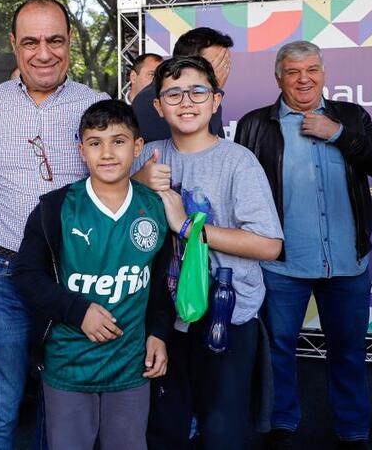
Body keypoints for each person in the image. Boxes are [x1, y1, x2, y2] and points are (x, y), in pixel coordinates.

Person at [235, 41, 372, 449]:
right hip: (283, 264)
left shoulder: (350, 116)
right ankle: (280, 425)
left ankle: (353, 432)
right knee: (278, 354)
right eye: (293, 71)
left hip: (347, 263)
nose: (304, 79)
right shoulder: (254, 125)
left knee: (349, 353)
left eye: (312, 70)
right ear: (278, 78)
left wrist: (338, 134)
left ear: (324, 72)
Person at [0, 0, 108, 449]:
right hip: (0, 269)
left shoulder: (96, 106)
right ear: (13, 45)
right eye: (30, 42)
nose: (43, 53)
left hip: (70, 272)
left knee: (62, 397)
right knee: (1, 395)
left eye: (54, 40)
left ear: (70, 42)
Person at [133, 55, 283, 450]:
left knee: (222, 429)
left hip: (226, 314)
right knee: (165, 427)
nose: (186, 101)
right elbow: (103, 209)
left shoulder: (238, 162)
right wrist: (136, 181)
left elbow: (268, 245)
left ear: (216, 100)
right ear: (158, 105)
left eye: (198, 90)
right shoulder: (147, 155)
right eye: (174, 93)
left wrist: (187, 226)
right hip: (163, 318)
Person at [13, 100, 171, 450]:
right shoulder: (55, 208)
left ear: (138, 146)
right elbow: (25, 274)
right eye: (95, 142)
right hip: (70, 365)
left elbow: (160, 283)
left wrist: (159, 332)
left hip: (131, 366)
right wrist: (78, 311)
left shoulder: (157, 207)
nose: (107, 152)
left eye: (119, 141)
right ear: (81, 150)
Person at [132, 27, 232, 142]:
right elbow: (202, 147)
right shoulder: (151, 97)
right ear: (189, 61)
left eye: (226, 63)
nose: (224, 71)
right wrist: (214, 88)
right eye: (219, 63)